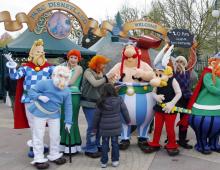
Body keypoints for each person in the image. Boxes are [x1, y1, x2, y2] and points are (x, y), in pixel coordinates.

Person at [4, 39, 53, 157]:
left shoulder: (49, 68)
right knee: (33, 124)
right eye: (38, 52)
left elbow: (58, 80)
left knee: (40, 125)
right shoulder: (25, 68)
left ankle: (38, 146)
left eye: (42, 52)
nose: (41, 54)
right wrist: (12, 65)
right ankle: (38, 148)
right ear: (32, 54)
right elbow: (14, 76)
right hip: (29, 100)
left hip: (43, 100)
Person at [28, 66, 73, 169]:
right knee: (38, 135)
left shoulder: (66, 90)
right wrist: (39, 96)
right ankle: (38, 158)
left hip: (54, 114)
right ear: (54, 75)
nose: (63, 79)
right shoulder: (45, 83)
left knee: (55, 135)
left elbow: (68, 106)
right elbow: (31, 91)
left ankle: (54, 154)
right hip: (39, 112)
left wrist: (68, 122)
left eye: (65, 77)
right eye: (61, 76)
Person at [80, 55, 115, 158]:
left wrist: (113, 84)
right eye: (103, 63)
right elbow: (95, 83)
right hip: (88, 103)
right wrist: (106, 78)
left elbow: (102, 86)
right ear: (96, 63)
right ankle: (90, 148)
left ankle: (96, 144)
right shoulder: (88, 71)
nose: (104, 65)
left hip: (99, 103)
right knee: (92, 126)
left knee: (99, 126)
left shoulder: (101, 73)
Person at [92, 83, 130, 168]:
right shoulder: (119, 99)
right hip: (115, 127)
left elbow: (96, 116)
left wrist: (94, 127)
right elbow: (125, 111)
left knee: (104, 144)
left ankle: (104, 162)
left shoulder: (100, 101)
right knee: (115, 143)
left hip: (104, 127)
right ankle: (115, 161)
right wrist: (128, 121)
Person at [60, 49, 83, 154]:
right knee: (63, 119)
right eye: (71, 57)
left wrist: (59, 83)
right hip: (63, 95)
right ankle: (63, 144)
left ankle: (72, 144)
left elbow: (72, 82)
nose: (73, 59)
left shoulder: (79, 68)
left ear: (78, 59)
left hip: (74, 95)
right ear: (68, 58)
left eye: (75, 57)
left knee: (72, 119)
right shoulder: (64, 68)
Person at [173, 56, 193, 149]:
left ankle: (182, 140)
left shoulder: (188, 72)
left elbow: (192, 60)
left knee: (184, 120)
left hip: (185, 99)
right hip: (175, 99)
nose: (179, 63)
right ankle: (171, 139)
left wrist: (192, 48)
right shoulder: (172, 72)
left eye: (181, 61)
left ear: (184, 63)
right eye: (177, 61)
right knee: (171, 120)